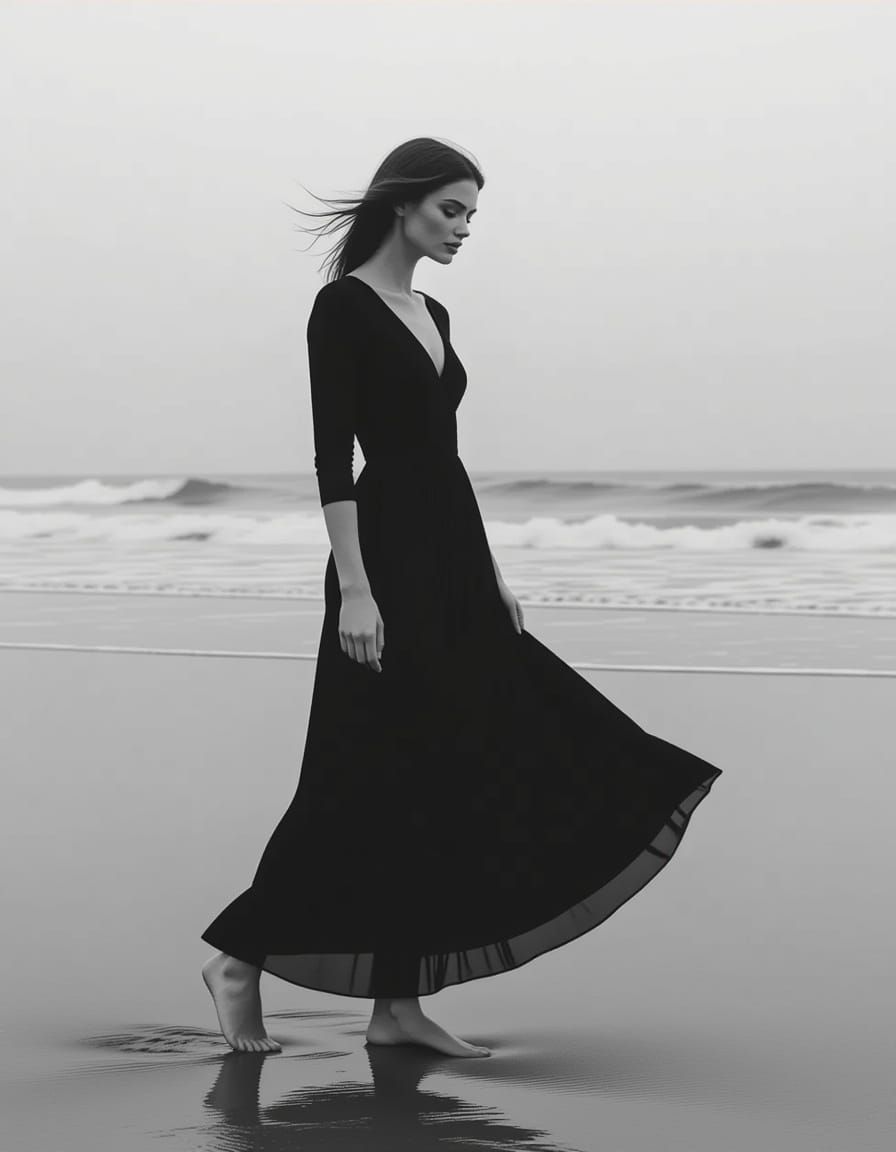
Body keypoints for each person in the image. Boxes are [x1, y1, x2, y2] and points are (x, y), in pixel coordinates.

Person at [200, 137, 723, 1060]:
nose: (463, 229)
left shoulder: (434, 308)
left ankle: (396, 1010)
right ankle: (238, 960)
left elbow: (446, 459)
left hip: (451, 561)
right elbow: (335, 459)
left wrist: (491, 575)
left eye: (473, 215)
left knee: (440, 769)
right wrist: (356, 591)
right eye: (452, 210)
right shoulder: (341, 309)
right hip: (385, 566)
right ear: (402, 205)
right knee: (357, 773)